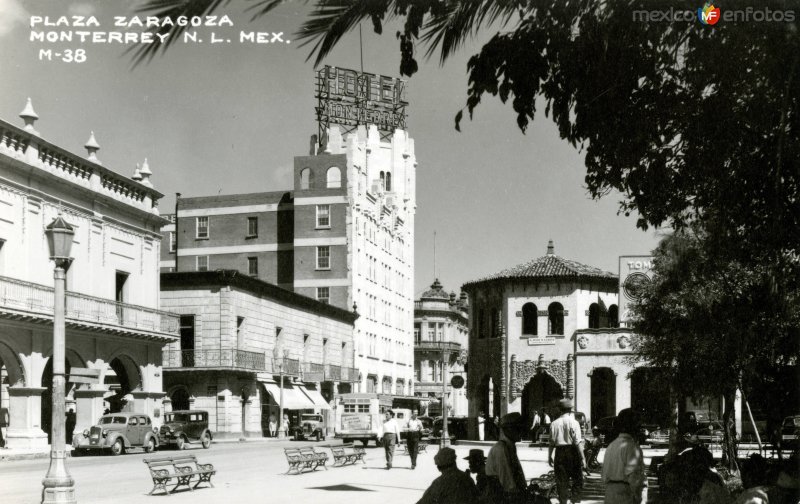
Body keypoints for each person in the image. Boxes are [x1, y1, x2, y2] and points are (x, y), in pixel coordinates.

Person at [601, 408, 647, 504]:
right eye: (639, 425)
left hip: (610, 493)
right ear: (633, 426)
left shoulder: (612, 445)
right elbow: (634, 478)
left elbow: (604, 475)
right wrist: (640, 498)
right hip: (625, 495)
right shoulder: (632, 447)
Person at [548, 399, 586, 504]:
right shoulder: (574, 423)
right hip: (573, 452)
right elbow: (578, 442)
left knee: (561, 481)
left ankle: (563, 502)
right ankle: (575, 501)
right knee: (577, 479)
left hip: (559, 452)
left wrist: (549, 456)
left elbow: (551, 443)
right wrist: (583, 458)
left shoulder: (554, 424)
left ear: (560, 410)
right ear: (570, 410)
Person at [486, 412, 528, 504]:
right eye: (517, 429)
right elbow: (507, 481)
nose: (521, 432)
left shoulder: (510, 446)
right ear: (508, 430)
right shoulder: (501, 449)